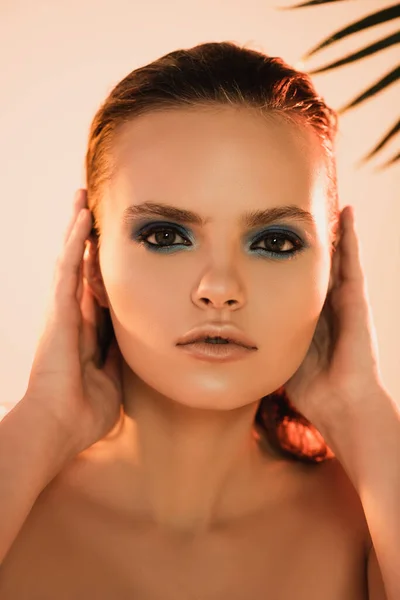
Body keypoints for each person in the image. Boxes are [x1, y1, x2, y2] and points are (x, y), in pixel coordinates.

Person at [0, 41, 373, 598]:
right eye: (166, 236)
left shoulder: (374, 522)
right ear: (92, 264)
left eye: (273, 241)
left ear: (333, 269)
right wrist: (41, 418)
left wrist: (364, 412)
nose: (219, 289)